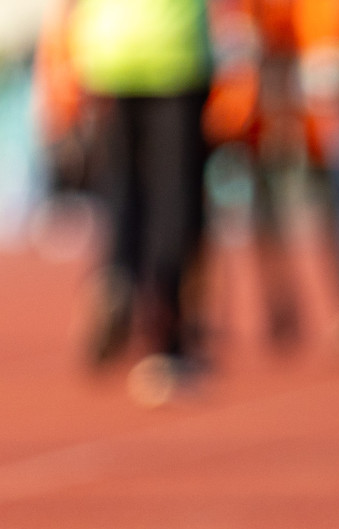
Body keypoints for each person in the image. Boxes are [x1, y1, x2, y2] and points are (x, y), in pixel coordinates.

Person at [65, 0, 214, 400]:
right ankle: (164, 330)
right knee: (175, 199)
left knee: (122, 189)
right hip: (175, 53)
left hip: (107, 51)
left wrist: (65, 56)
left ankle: (119, 276)